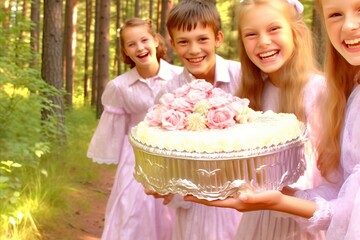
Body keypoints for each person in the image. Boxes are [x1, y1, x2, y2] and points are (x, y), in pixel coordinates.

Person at [185, 0, 360, 239]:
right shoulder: (247, 97)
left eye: (274, 29)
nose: (264, 42)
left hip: (304, 224)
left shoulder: (321, 93)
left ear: (296, 33)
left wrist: (283, 199)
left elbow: (341, 183)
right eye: (251, 34)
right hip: (258, 218)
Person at [146, 0, 242, 239]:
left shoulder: (242, 77)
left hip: (240, 201)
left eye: (202, 39)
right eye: (183, 42)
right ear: (172, 44)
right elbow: (161, 150)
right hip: (192, 204)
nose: (194, 50)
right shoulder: (168, 92)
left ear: (218, 38)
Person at [87, 17, 183, 240]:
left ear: (156, 41)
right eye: (131, 44)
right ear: (125, 51)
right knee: (132, 211)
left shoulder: (179, 76)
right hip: (136, 158)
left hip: (175, 154)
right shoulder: (119, 87)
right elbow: (114, 131)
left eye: (144, 40)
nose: (139, 47)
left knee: (173, 211)